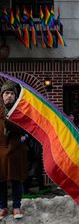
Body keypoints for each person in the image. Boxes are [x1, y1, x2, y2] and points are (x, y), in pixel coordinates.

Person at [0, 81, 29, 220]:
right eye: (6, 93)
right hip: (0, 150)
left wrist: (23, 138)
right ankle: (2, 207)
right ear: (2, 96)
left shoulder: (20, 111)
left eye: (12, 93)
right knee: (1, 180)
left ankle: (16, 207)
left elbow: (27, 129)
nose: (9, 96)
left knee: (16, 179)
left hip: (16, 150)